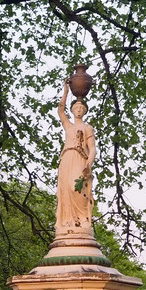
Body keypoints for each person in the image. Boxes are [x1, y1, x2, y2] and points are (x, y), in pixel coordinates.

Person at [55, 80, 95, 235]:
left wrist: (88, 165)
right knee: (65, 190)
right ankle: (68, 222)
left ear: (84, 111)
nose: (78, 110)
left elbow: (92, 149)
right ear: (72, 110)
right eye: (76, 108)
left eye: (81, 108)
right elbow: (60, 111)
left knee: (76, 187)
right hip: (66, 159)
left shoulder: (87, 128)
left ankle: (83, 218)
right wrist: (65, 91)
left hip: (79, 159)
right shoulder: (69, 126)